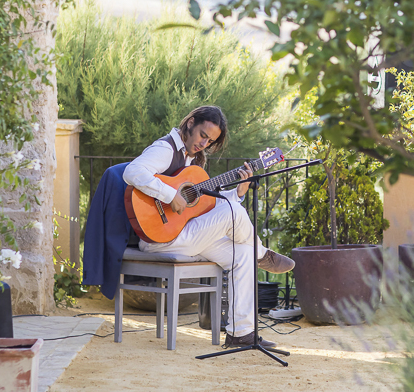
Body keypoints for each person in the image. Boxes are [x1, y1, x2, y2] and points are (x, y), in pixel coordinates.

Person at [122, 105, 294, 347]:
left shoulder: (192, 162)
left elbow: (205, 208)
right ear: (191, 122)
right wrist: (171, 195)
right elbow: (133, 171)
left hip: (185, 235)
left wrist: (239, 191)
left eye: (210, 141)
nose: (204, 144)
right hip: (160, 238)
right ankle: (263, 253)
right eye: (203, 135)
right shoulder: (165, 148)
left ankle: (241, 334)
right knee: (233, 212)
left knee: (242, 253)